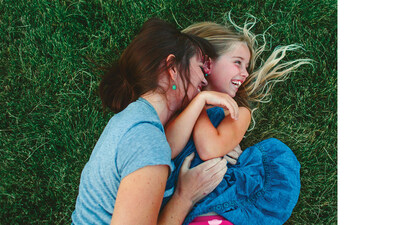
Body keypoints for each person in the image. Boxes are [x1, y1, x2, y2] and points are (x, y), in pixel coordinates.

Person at [71, 18, 241, 224]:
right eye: (199, 67)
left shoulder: (135, 119)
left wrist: (201, 100)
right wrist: (184, 196)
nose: (205, 79)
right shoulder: (148, 142)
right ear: (172, 67)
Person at [162, 15, 312, 225]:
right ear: (207, 62)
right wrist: (197, 101)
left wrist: (201, 103)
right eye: (237, 63)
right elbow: (165, 148)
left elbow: (208, 149)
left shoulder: (238, 113)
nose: (245, 73)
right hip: (175, 198)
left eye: (247, 66)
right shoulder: (180, 105)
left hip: (218, 201)